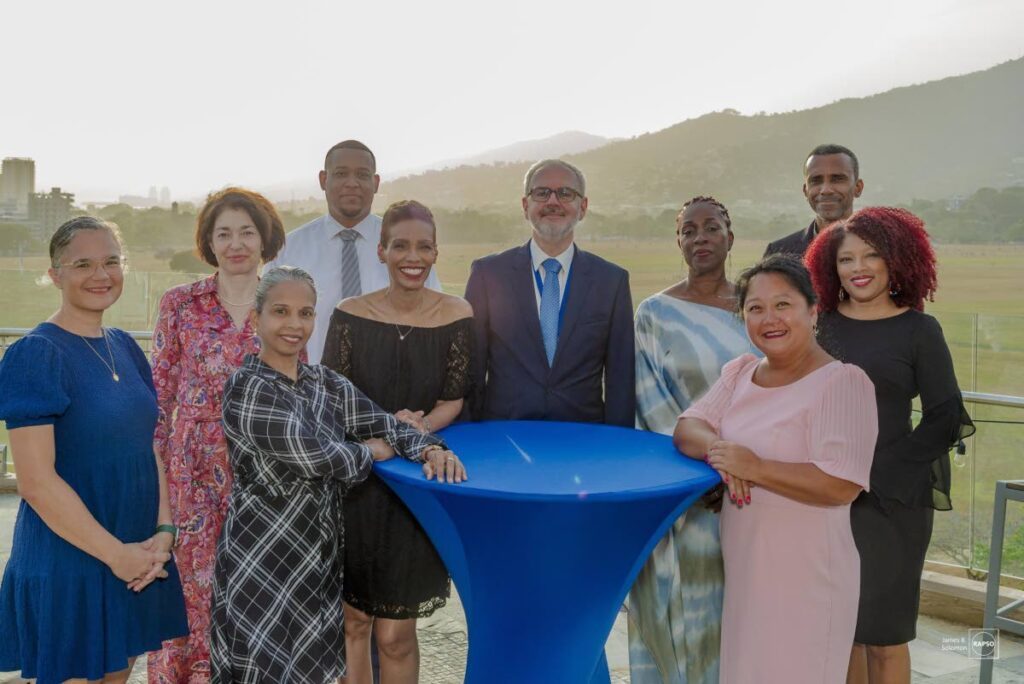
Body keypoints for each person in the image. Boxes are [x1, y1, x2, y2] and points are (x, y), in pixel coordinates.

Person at [209, 266, 461, 683]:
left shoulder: (324, 382)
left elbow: (387, 424)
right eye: (281, 311)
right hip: (261, 566)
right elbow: (314, 457)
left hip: (317, 568)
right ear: (257, 318)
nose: (294, 325)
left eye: (305, 313)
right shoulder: (246, 387)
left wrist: (430, 448)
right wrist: (370, 450)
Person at [0, 217, 188, 683]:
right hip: (73, 560)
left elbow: (148, 446)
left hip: (135, 554)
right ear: (54, 273)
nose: (100, 274)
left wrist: (164, 530)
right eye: (82, 263)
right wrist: (115, 555)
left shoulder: (125, 346)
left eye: (110, 261)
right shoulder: (36, 353)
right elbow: (36, 482)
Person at [675, 255, 878, 684]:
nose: (770, 319)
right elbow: (687, 428)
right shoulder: (740, 373)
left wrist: (757, 467)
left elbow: (840, 484)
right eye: (755, 308)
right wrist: (722, 450)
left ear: (813, 309)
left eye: (783, 305)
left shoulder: (842, 383)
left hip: (808, 578)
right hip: (748, 573)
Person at [805, 207, 975, 684]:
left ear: (896, 259)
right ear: (830, 268)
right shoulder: (822, 326)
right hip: (824, 495)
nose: (858, 268)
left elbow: (946, 416)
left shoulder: (920, 330)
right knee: (841, 632)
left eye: (871, 255)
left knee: (884, 635)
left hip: (891, 498)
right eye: (846, 259)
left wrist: (876, 471)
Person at [321, 200, 471, 684]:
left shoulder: (458, 315)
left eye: (424, 246)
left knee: (396, 636)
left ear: (435, 253)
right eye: (401, 245)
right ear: (382, 251)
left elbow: (455, 399)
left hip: (415, 487)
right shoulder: (349, 315)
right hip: (359, 485)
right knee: (353, 623)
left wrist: (421, 426)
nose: (413, 256)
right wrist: (387, 431)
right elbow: (332, 402)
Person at [148, 187, 286, 681]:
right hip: (190, 484)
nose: (236, 244)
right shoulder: (180, 304)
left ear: (265, 237)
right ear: (208, 242)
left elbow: (299, 399)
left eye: (247, 232)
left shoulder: (284, 303)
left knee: (256, 604)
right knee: (187, 605)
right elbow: (158, 405)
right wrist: (161, 500)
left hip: (264, 484)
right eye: (223, 233)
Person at [627, 196, 756, 684]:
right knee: (678, 602)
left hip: (752, 483)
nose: (700, 237)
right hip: (683, 487)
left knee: (740, 608)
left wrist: (742, 464)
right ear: (678, 241)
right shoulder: (654, 312)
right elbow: (648, 399)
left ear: (730, 234)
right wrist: (704, 470)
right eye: (688, 230)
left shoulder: (756, 308)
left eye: (711, 227)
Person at [464, 158, 635, 426]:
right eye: (541, 193)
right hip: (504, 437)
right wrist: (470, 441)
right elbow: (472, 373)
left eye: (565, 193)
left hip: (583, 438)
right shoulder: (488, 274)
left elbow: (620, 380)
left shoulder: (612, 281)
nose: (553, 201)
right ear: (525, 205)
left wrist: (617, 450)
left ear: (583, 207)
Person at [264, 140, 440, 363]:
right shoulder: (287, 251)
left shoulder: (406, 250)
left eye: (362, 175)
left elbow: (434, 321)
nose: (352, 183)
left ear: (376, 183)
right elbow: (266, 327)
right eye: (340, 174)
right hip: (309, 389)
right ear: (323, 180)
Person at [764, 143, 864, 257]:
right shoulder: (780, 253)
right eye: (816, 181)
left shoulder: (880, 247)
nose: (826, 190)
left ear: (858, 187)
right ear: (805, 191)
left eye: (837, 179)